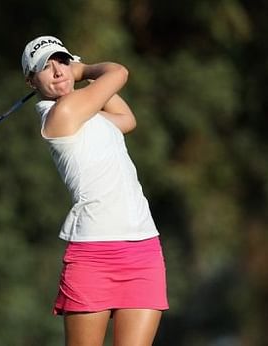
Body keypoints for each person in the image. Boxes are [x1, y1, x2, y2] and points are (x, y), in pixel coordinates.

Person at [21, 35, 168, 346]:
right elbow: (118, 73)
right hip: (94, 256)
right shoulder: (61, 115)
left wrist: (77, 74)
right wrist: (82, 68)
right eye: (45, 68)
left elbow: (127, 120)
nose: (58, 71)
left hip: (143, 249)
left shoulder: (86, 114)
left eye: (60, 61)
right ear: (31, 81)